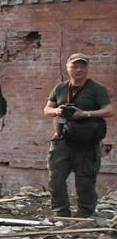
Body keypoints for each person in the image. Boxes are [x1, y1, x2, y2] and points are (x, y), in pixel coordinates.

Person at [45, 53, 112, 218]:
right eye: (75, 66)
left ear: (87, 68)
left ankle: (84, 215)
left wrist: (85, 114)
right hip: (62, 140)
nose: (79, 70)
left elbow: (109, 111)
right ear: (68, 67)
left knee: (85, 182)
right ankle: (61, 213)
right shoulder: (60, 87)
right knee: (56, 179)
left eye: (82, 66)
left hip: (86, 143)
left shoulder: (96, 88)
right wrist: (57, 111)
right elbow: (46, 109)